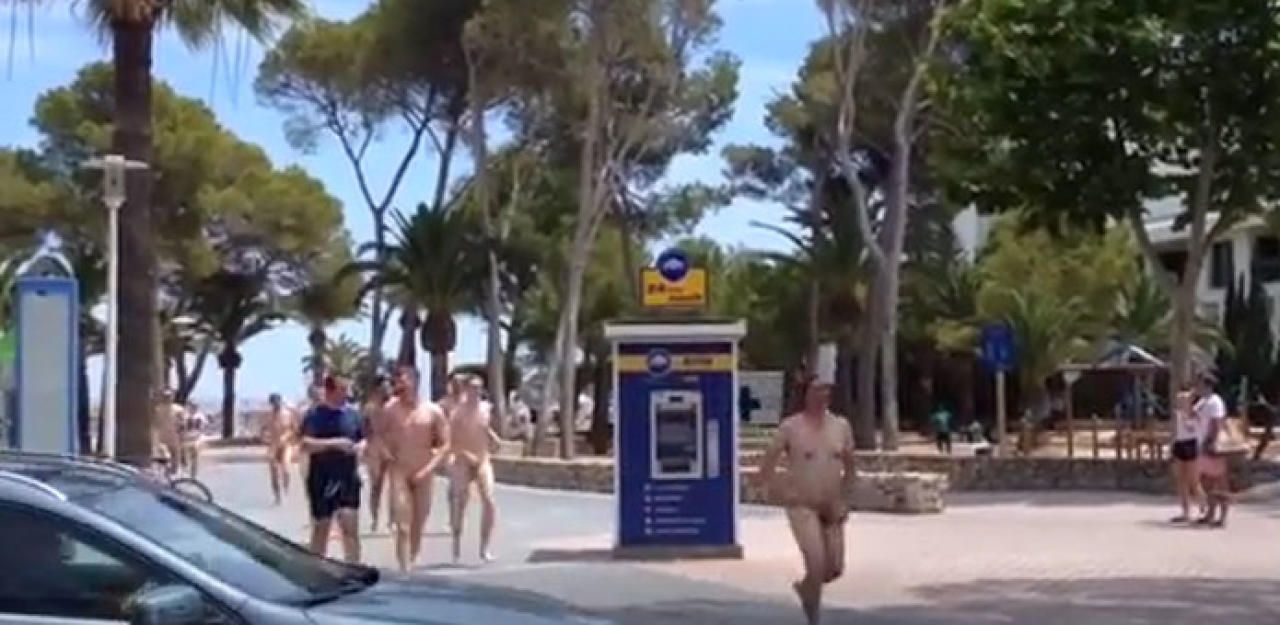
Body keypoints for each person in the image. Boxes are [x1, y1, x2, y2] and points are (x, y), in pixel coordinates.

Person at [755, 377, 856, 625]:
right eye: (818, 389)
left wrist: (844, 498)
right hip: (802, 505)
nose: (824, 394)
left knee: (834, 569)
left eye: (827, 390)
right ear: (806, 394)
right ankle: (814, 618)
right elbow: (768, 463)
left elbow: (850, 466)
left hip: (831, 505)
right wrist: (776, 490)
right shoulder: (791, 427)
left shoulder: (840, 426)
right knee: (816, 564)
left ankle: (806, 590)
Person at [384, 366, 450, 572]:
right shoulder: (390, 409)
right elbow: (378, 434)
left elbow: (445, 444)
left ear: (415, 382)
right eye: (398, 381)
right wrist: (385, 452)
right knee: (403, 526)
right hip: (399, 471)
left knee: (418, 523)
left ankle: (412, 558)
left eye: (403, 381)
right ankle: (404, 568)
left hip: (423, 472)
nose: (400, 385)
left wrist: (428, 470)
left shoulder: (433, 411)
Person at [299, 375, 365, 563]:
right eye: (342, 390)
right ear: (330, 391)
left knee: (350, 527)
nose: (347, 394)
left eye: (347, 389)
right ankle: (316, 568)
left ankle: (354, 568)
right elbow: (306, 443)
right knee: (322, 528)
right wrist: (335, 444)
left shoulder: (354, 415)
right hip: (322, 477)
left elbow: (364, 438)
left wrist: (361, 447)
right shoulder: (315, 415)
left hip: (348, 477)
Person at [448, 375, 502, 563]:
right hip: (463, 460)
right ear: (466, 389)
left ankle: (484, 548)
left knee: (489, 500)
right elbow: (451, 441)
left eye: (479, 388)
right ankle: (456, 543)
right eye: (472, 387)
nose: (476, 391)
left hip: (482, 459)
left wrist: (494, 438)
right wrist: (462, 454)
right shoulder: (457, 412)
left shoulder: (486, 409)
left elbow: (483, 427)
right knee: (460, 503)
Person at [1193, 373, 1231, 528]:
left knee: (1220, 481)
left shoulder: (1215, 402)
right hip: (1201, 444)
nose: (1197, 387)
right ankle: (1210, 513)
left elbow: (1217, 423)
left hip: (1211, 446)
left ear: (1207, 385)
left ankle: (1223, 516)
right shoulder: (1202, 402)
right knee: (1207, 481)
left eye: (1199, 384)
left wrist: (1211, 442)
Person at [361, 377, 394, 532]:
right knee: (376, 486)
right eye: (384, 387)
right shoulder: (370, 408)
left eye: (388, 387)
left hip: (392, 447)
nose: (387, 390)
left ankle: (392, 520)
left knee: (394, 484)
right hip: (375, 448)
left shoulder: (393, 406)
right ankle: (375, 518)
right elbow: (364, 429)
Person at [1169, 387, 1204, 523]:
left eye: (1183, 400)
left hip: (1191, 444)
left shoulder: (1196, 414)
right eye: (1179, 400)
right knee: (1181, 481)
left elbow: (1192, 428)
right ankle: (1185, 512)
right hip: (1180, 444)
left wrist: (1187, 415)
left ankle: (1204, 507)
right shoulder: (1178, 414)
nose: (1180, 403)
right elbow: (1177, 432)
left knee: (1193, 481)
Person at [262, 393, 299, 506]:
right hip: (273, 445)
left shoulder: (288, 414)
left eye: (277, 402)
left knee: (286, 468)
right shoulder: (268, 415)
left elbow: (294, 429)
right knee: (274, 472)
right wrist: (265, 438)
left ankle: (286, 491)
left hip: (286, 445)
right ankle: (277, 497)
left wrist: (287, 436)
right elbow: (263, 429)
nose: (275, 404)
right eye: (273, 403)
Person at [151, 389, 184, 475]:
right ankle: (167, 471)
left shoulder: (178, 409)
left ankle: (173, 472)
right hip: (163, 436)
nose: (167, 398)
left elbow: (182, 423)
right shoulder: (158, 409)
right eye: (166, 396)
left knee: (175, 456)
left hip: (174, 436)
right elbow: (155, 423)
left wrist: (181, 434)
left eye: (169, 396)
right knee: (164, 456)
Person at [178, 402, 207, 478]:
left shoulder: (198, 417)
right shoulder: (187, 416)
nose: (192, 408)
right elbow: (182, 427)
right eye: (191, 406)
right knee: (185, 455)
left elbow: (201, 428)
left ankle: (192, 473)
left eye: (193, 406)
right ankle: (187, 471)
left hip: (194, 439)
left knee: (193, 457)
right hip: (188, 438)